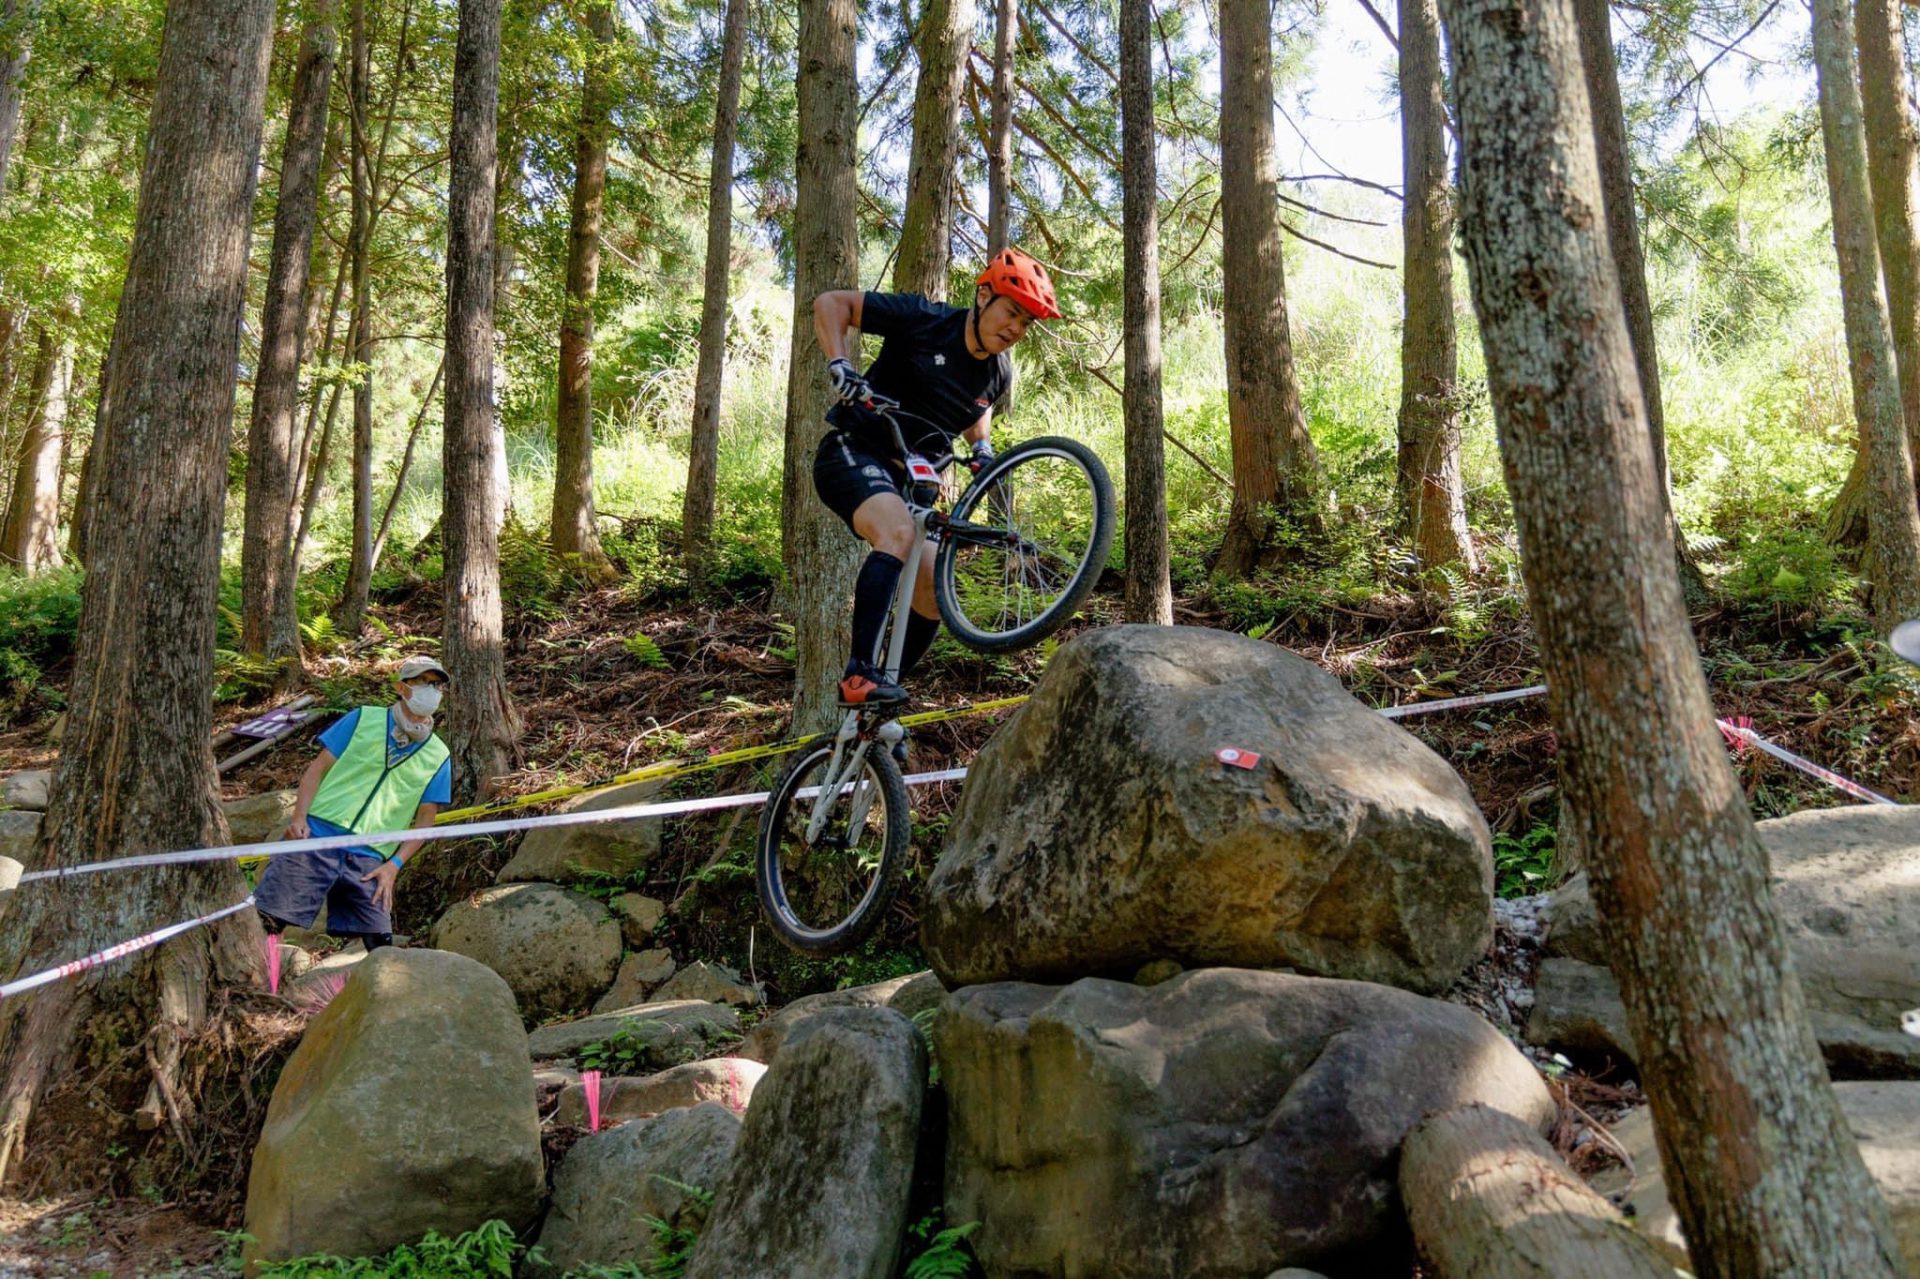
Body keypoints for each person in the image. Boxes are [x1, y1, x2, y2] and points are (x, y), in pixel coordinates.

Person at [811, 247, 1062, 710]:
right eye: (1011, 313)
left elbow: (975, 413)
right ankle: (858, 674)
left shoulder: (999, 372)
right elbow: (831, 303)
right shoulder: (924, 318)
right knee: (898, 533)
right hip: (855, 451)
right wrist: (840, 364)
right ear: (983, 295)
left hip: (913, 481)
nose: (1016, 329)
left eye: (1027, 323)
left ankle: (881, 692)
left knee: (931, 588)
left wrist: (981, 447)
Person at [254, 655, 453, 951]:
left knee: (380, 944)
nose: (431, 691)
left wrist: (395, 865)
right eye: (422, 682)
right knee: (268, 921)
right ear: (401, 687)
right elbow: (316, 770)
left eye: (436, 685)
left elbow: (426, 821)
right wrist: (299, 818)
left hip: (370, 858)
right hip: (316, 838)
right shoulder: (363, 718)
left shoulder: (439, 754)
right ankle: (257, 991)